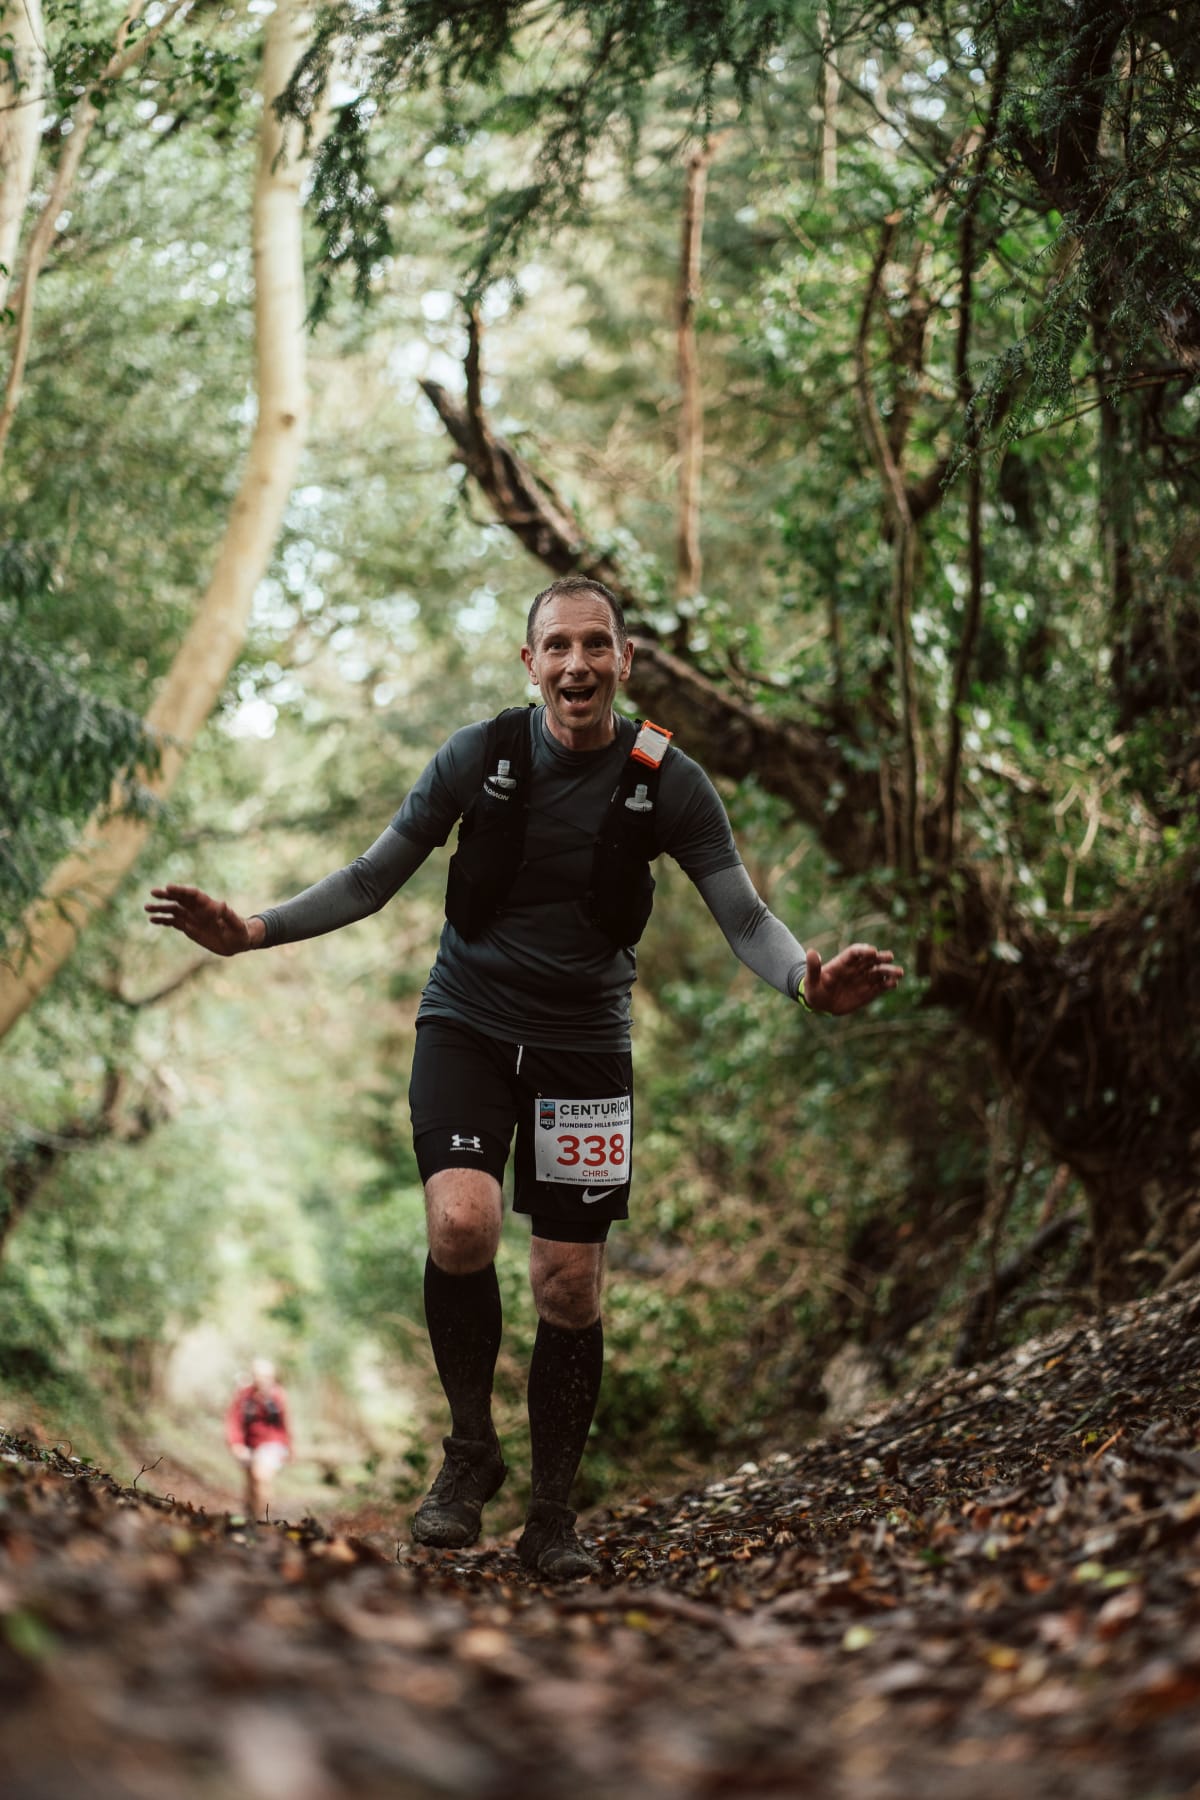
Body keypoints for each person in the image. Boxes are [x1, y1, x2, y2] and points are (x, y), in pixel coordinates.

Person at [148, 575, 902, 1579]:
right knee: (461, 1224)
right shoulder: (480, 756)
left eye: (596, 645)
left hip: (584, 1045)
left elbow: (747, 917)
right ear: (531, 662)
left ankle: (553, 1515)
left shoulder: (669, 780)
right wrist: (251, 930)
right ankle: (470, 1451)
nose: (577, 664)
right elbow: (371, 879)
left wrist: (809, 982)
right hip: (466, 1022)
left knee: (569, 1286)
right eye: (558, 646)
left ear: (624, 660)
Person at [225, 1356, 292, 1521]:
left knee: (261, 1476)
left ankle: (264, 1519)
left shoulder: (278, 1396)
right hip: (248, 1443)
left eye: (267, 1376)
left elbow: (286, 1423)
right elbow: (233, 1421)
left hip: (272, 1443)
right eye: (259, 1376)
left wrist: (290, 1448)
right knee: (251, 1483)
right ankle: (251, 1517)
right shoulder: (244, 1395)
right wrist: (236, 1444)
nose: (263, 1380)